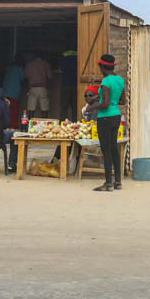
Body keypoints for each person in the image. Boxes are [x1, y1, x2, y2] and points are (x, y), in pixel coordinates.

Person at [86, 54, 125, 192]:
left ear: (103, 67)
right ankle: (118, 182)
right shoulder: (120, 80)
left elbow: (105, 104)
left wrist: (91, 107)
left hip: (105, 118)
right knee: (114, 148)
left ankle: (108, 183)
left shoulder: (105, 82)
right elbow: (122, 101)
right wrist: (101, 97)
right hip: (116, 117)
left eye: (100, 68)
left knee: (106, 150)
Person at [24, 53, 51, 118]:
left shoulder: (29, 65)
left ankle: (30, 126)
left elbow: (25, 76)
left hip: (32, 88)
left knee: (31, 109)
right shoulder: (45, 64)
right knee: (44, 109)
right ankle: (45, 126)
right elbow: (50, 76)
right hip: (43, 88)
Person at [2, 55, 25, 128]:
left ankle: (5, 126)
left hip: (5, 92)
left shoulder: (9, 68)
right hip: (14, 93)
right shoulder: (19, 69)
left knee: (6, 111)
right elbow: (22, 78)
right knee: (14, 111)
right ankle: (13, 127)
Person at [59, 50, 78, 120]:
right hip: (76, 84)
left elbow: (61, 68)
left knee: (64, 105)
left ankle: (62, 122)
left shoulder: (64, 55)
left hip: (66, 83)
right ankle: (75, 122)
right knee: (75, 106)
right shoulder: (78, 55)